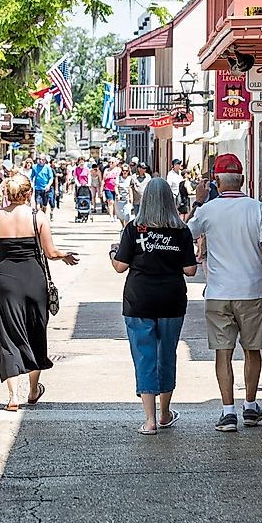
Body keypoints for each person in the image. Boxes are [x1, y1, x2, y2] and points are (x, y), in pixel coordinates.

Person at [188, 153, 262, 432]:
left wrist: (198, 200)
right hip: (252, 290)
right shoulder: (257, 208)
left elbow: (186, 233)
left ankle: (227, 411)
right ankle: (251, 406)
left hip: (219, 292)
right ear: (242, 179)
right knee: (252, 350)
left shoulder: (207, 210)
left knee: (223, 352)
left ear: (216, 181)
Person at [0, 173, 80, 410]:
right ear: (28, 193)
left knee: (8, 333)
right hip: (34, 278)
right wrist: (64, 255)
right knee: (35, 330)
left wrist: (8, 258)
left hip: (5, 278)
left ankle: (13, 396)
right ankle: (34, 389)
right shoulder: (38, 217)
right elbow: (50, 252)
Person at [111, 178, 199, 434]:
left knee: (144, 355)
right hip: (171, 298)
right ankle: (164, 413)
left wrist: (112, 254)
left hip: (139, 299)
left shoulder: (134, 229)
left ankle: (149, 420)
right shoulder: (181, 230)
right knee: (167, 354)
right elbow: (190, 269)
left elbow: (120, 266)